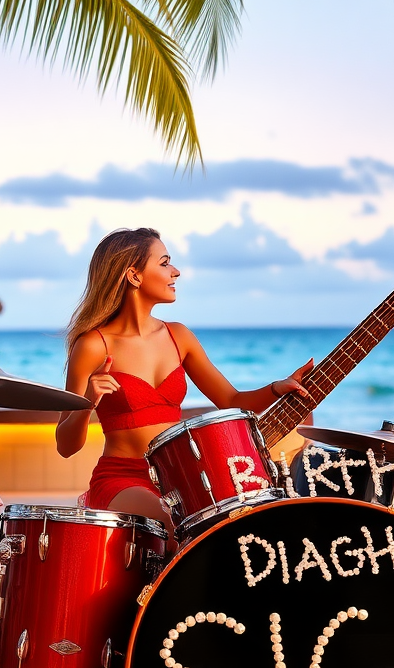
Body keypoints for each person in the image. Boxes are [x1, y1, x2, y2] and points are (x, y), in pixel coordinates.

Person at [56, 227, 314, 536]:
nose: (175, 271)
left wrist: (276, 388)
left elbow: (231, 401)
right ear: (134, 276)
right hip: (123, 478)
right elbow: (65, 446)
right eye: (164, 263)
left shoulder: (179, 336)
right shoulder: (92, 345)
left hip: (181, 479)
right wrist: (88, 402)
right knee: (170, 523)